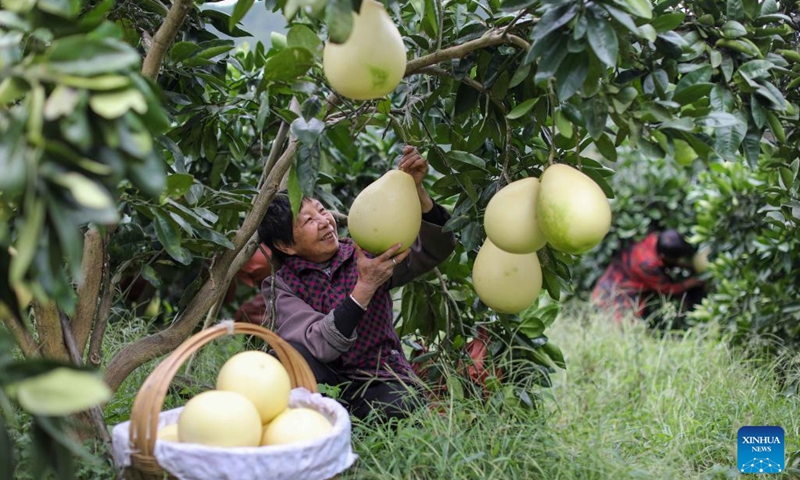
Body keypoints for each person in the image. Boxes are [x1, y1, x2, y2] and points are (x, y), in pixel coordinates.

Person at [257, 145, 456, 422]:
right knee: (284, 359)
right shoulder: (281, 287)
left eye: (322, 210)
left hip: (379, 378)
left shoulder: (366, 254)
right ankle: (322, 425)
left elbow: (437, 247)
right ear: (285, 245)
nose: (326, 222)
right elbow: (317, 345)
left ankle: (354, 425)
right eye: (308, 221)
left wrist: (417, 191)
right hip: (325, 384)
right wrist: (364, 287)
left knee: (400, 407)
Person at [591, 229, 706, 325]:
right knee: (620, 325)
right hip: (617, 289)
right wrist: (692, 282)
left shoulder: (655, 238)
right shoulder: (647, 266)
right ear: (663, 256)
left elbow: (669, 260)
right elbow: (666, 289)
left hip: (618, 274)